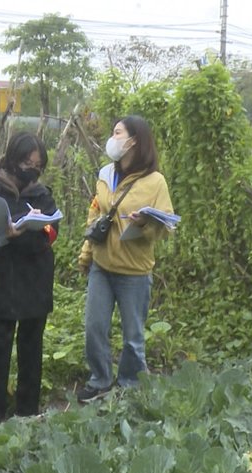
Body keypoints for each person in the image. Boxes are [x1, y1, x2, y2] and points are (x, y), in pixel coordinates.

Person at [75, 115, 174, 402]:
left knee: (133, 336)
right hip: (101, 267)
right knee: (94, 327)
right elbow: (96, 214)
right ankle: (100, 380)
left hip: (134, 272)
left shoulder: (156, 182)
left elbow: (165, 227)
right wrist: (86, 253)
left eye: (118, 133)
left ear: (134, 141)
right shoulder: (106, 173)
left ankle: (130, 385)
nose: (113, 138)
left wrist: (144, 223)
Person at [0, 132, 58, 420]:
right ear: (11, 160)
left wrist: (37, 228)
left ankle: (27, 410)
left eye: (37, 165)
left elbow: (52, 231)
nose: (30, 170)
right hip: (0, 279)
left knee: (32, 347)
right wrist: (7, 232)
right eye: (25, 162)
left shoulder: (42, 194)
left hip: (35, 279)